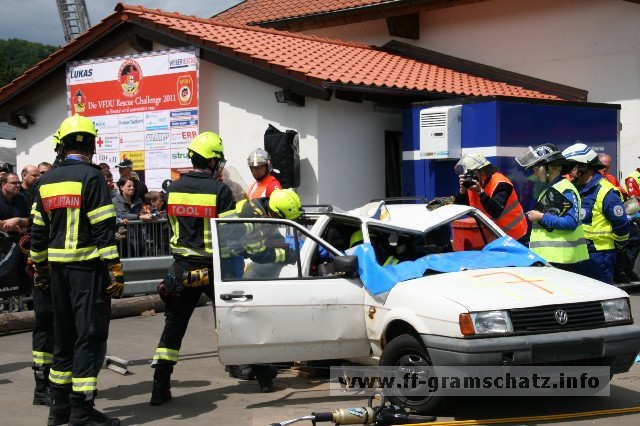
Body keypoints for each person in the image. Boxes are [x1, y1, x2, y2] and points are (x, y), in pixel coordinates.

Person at [29, 113, 123, 426]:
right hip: (87, 271)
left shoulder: (45, 181)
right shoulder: (92, 177)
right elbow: (102, 227)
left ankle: (58, 410)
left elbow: (37, 230)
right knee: (89, 336)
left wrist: (40, 268)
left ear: (61, 145)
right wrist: (114, 267)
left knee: (63, 336)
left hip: (56, 272)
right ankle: (82, 411)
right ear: (92, 145)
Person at [150, 131, 235, 406]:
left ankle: (159, 387)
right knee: (232, 319)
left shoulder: (172, 189)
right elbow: (229, 233)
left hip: (181, 269)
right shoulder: (220, 190)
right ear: (211, 161)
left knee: (174, 327)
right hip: (212, 269)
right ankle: (258, 373)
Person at [562, 142, 629, 284]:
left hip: (599, 256)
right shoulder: (573, 189)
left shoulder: (607, 192)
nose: (569, 172)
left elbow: (621, 224)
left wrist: (618, 246)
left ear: (584, 166)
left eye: (572, 167)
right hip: (576, 253)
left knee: (599, 294)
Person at [515, 144, 588, 272]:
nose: (535, 173)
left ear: (551, 168)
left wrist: (541, 217)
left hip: (562, 259)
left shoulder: (566, 189)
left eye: (537, 168)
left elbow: (571, 223)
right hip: (549, 258)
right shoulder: (551, 190)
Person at [453, 153, 528, 245]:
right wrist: (462, 192)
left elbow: (495, 211)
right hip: (490, 239)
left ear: (482, 171)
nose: (469, 177)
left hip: (513, 236)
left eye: (471, 173)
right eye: (466, 175)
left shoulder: (501, 183)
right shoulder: (472, 185)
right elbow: (457, 210)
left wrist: (480, 192)